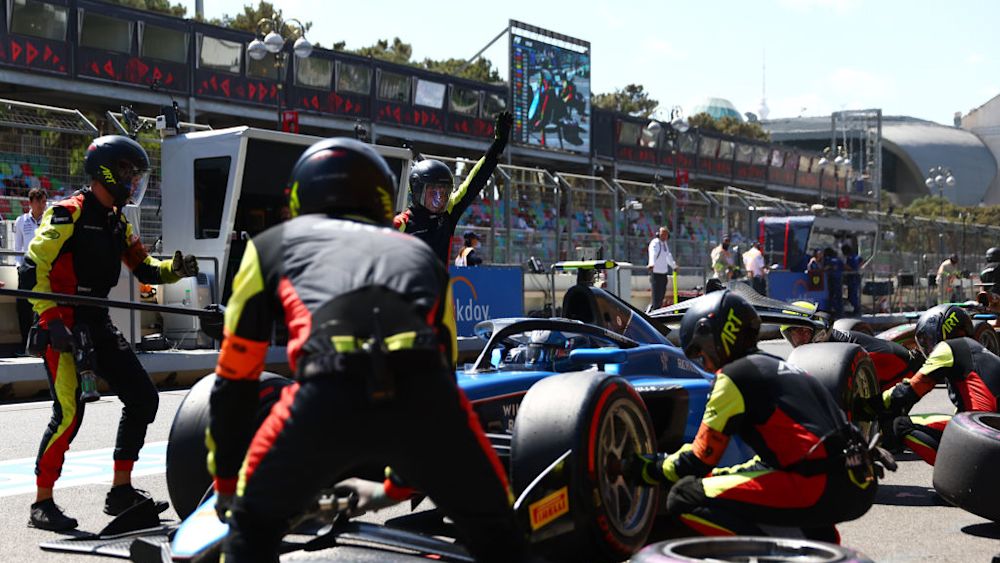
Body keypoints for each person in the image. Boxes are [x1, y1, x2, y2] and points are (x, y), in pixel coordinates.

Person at [207, 138, 533, 563]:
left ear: (300, 195)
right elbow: (444, 361)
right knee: (501, 536)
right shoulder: (421, 255)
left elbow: (234, 380)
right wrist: (399, 484)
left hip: (324, 395)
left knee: (250, 533)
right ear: (383, 198)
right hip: (425, 396)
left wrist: (227, 483)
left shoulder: (270, 246)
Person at [22, 135, 199, 531]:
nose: (133, 180)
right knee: (69, 415)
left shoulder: (117, 222)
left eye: (135, 174)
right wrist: (51, 321)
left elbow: (146, 268)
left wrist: (176, 269)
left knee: (143, 398)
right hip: (62, 323)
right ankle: (41, 503)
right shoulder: (67, 213)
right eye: (127, 172)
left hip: (97, 321)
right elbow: (33, 268)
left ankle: (120, 491)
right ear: (105, 171)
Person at [626, 290, 877, 540]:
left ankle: (773, 553)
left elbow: (701, 458)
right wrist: (724, 475)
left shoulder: (734, 376)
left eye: (700, 353)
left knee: (685, 495)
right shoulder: (785, 368)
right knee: (733, 483)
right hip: (858, 480)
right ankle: (818, 542)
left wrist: (649, 468)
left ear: (712, 337)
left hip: (817, 483)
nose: (706, 364)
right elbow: (777, 457)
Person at [882, 304, 1000, 465]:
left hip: (983, 438)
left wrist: (874, 403)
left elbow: (910, 390)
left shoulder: (949, 347)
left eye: (929, 339)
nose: (928, 346)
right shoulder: (981, 356)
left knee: (900, 425)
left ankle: (960, 471)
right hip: (991, 433)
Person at [394, 112, 513, 264]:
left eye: (444, 193)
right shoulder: (400, 224)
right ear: (417, 190)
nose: (439, 198)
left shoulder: (448, 213)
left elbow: (476, 180)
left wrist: (499, 144)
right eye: (433, 192)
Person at [14, 188, 46, 349]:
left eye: (44, 201)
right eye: (39, 201)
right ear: (31, 202)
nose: (42, 205)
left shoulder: (49, 220)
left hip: (44, 269)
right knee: (23, 307)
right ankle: (25, 344)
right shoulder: (21, 221)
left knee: (43, 306)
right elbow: (17, 248)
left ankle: (40, 345)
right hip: (26, 269)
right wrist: (19, 267)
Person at [647, 226, 678, 311]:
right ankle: (654, 311)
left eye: (666, 235)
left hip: (663, 273)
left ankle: (658, 310)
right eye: (663, 234)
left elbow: (668, 256)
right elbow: (653, 253)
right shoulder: (655, 243)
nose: (664, 236)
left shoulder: (665, 244)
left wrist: (674, 266)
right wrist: (651, 264)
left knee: (661, 295)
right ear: (658, 234)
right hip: (656, 273)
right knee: (656, 296)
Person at [824, 247, 844, 319]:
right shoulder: (838, 260)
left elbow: (825, 268)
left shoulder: (828, 259)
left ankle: (831, 311)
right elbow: (843, 267)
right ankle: (840, 312)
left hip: (831, 279)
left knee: (831, 296)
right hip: (838, 279)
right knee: (839, 296)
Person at [842, 244, 862, 316]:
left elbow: (851, 268)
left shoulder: (850, 258)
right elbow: (861, 261)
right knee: (853, 294)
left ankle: (857, 310)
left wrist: (844, 266)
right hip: (855, 277)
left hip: (853, 278)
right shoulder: (855, 256)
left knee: (852, 295)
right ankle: (856, 309)